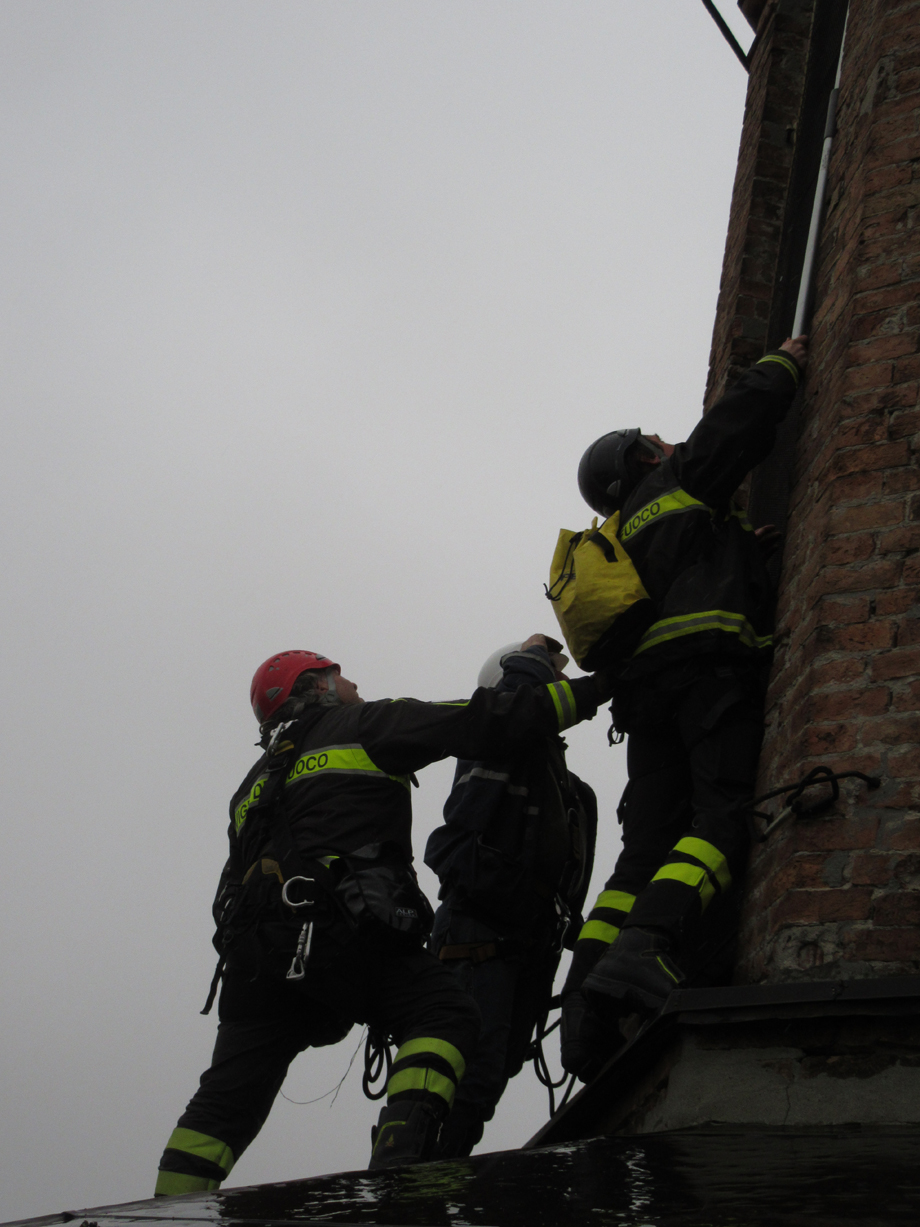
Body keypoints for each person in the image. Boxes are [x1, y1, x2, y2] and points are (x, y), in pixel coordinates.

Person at [154, 648, 605, 1194]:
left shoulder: (250, 787)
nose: (353, 683)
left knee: (225, 1100)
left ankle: (171, 1207)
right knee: (444, 1014)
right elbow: (482, 718)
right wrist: (598, 687)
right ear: (316, 687)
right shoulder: (365, 724)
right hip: (338, 932)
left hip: (255, 962)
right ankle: (401, 1164)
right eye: (339, 677)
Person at [560, 336, 808, 1075]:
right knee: (720, 821)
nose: (667, 441)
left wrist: (747, 550)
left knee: (646, 849)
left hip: (648, 701)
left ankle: (586, 997)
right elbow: (734, 429)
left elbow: (687, 569)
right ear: (640, 458)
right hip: (707, 674)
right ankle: (646, 949)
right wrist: (784, 363)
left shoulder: (621, 534)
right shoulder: (672, 482)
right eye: (653, 442)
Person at [424, 634, 597, 1156]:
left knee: (490, 1079)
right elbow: (453, 845)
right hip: (480, 938)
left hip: (524, 946)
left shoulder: (570, 789)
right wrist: (529, 663)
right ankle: (412, 1189)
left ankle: (441, 1178)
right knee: (468, 1074)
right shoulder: (496, 742)